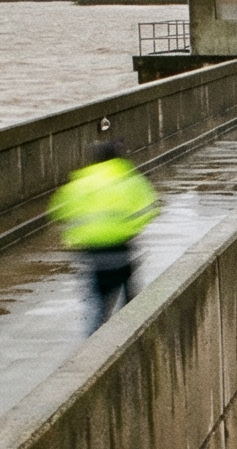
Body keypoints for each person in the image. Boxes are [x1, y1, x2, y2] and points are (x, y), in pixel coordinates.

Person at [52, 140, 159, 330]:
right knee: (129, 299)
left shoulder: (80, 182)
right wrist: (129, 227)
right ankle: (133, 333)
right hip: (120, 247)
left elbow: (59, 211)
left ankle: (95, 339)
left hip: (92, 252)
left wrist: (79, 234)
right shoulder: (128, 179)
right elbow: (151, 208)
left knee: (99, 303)